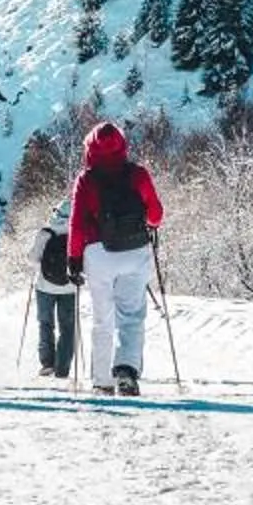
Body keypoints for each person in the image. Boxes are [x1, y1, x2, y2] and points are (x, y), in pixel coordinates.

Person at [67, 120, 163, 396]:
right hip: (135, 251)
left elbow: (75, 223)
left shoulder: (86, 179)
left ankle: (101, 380)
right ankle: (126, 371)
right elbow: (156, 214)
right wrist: (147, 222)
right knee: (131, 316)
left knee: (102, 318)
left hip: (99, 253)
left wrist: (73, 258)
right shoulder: (138, 174)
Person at [29, 203, 81, 379]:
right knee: (67, 328)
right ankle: (63, 369)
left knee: (45, 324)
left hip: (44, 286)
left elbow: (33, 259)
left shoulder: (45, 233)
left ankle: (47, 364)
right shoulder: (78, 233)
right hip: (69, 288)